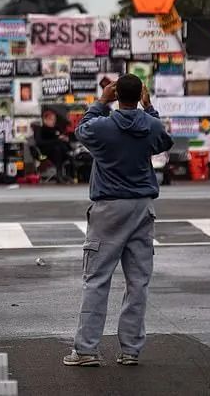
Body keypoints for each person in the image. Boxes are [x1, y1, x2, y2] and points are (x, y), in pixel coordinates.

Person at [63, 74, 173, 368]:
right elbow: (163, 139)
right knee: (138, 282)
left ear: (116, 94)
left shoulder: (103, 127)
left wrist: (101, 101)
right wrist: (149, 109)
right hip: (141, 207)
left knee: (97, 279)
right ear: (140, 95)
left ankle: (86, 349)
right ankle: (130, 350)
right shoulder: (149, 125)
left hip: (108, 207)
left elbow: (81, 130)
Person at [36, 109, 73, 183]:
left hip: (60, 149)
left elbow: (63, 139)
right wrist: (57, 140)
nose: (53, 121)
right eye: (51, 119)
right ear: (45, 120)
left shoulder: (57, 129)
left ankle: (69, 175)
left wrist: (65, 140)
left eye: (54, 119)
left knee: (69, 153)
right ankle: (59, 175)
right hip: (46, 151)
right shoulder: (40, 130)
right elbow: (40, 142)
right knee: (57, 150)